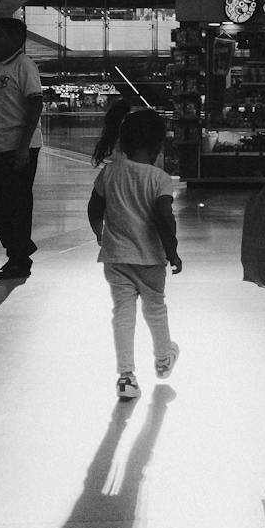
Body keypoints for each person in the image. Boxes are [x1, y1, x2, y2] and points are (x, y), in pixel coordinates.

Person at [87, 107, 181, 400]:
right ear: (157, 146)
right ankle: (164, 357)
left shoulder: (110, 172)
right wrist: (172, 251)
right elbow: (165, 217)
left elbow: (94, 207)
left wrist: (99, 233)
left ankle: (126, 376)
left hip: (115, 258)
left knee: (122, 314)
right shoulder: (159, 178)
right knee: (155, 310)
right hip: (151, 259)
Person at [0, 16, 43, 280]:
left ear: (15, 40)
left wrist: (23, 146)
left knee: (18, 202)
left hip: (19, 146)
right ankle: (18, 246)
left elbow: (35, 104)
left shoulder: (24, 65)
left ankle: (19, 260)